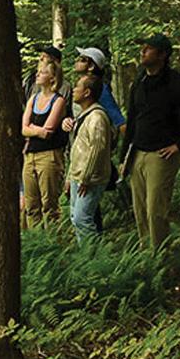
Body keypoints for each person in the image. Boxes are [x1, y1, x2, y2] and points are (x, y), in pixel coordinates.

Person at [122, 32, 180, 251]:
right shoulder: (139, 82)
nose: (143, 51)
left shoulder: (176, 83)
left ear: (162, 55)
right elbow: (132, 120)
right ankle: (146, 255)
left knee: (156, 211)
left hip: (161, 156)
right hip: (137, 154)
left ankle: (160, 257)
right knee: (140, 210)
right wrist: (124, 156)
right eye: (142, 47)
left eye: (149, 48)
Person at [21, 59, 69, 228]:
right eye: (38, 71)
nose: (38, 74)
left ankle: (55, 244)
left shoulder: (58, 100)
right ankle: (37, 243)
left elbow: (48, 131)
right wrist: (36, 130)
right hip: (29, 156)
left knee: (50, 205)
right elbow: (23, 129)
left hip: (49, 156)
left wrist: (32, 128)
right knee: (31, 206)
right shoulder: (32, 98)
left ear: (53, 77)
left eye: (43, 72)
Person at [67, 73, 114, 240]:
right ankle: (85, 255)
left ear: (87, 92)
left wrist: (86, 178)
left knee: (83, 218)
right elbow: (78, 149)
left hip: (90, 179)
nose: (73, 90)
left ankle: (93, 258)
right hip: (78, 176)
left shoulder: (97, 117)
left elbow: (97, 149)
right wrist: (70, 175)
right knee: (75, 217)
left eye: (77, 87)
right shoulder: (84, 115)